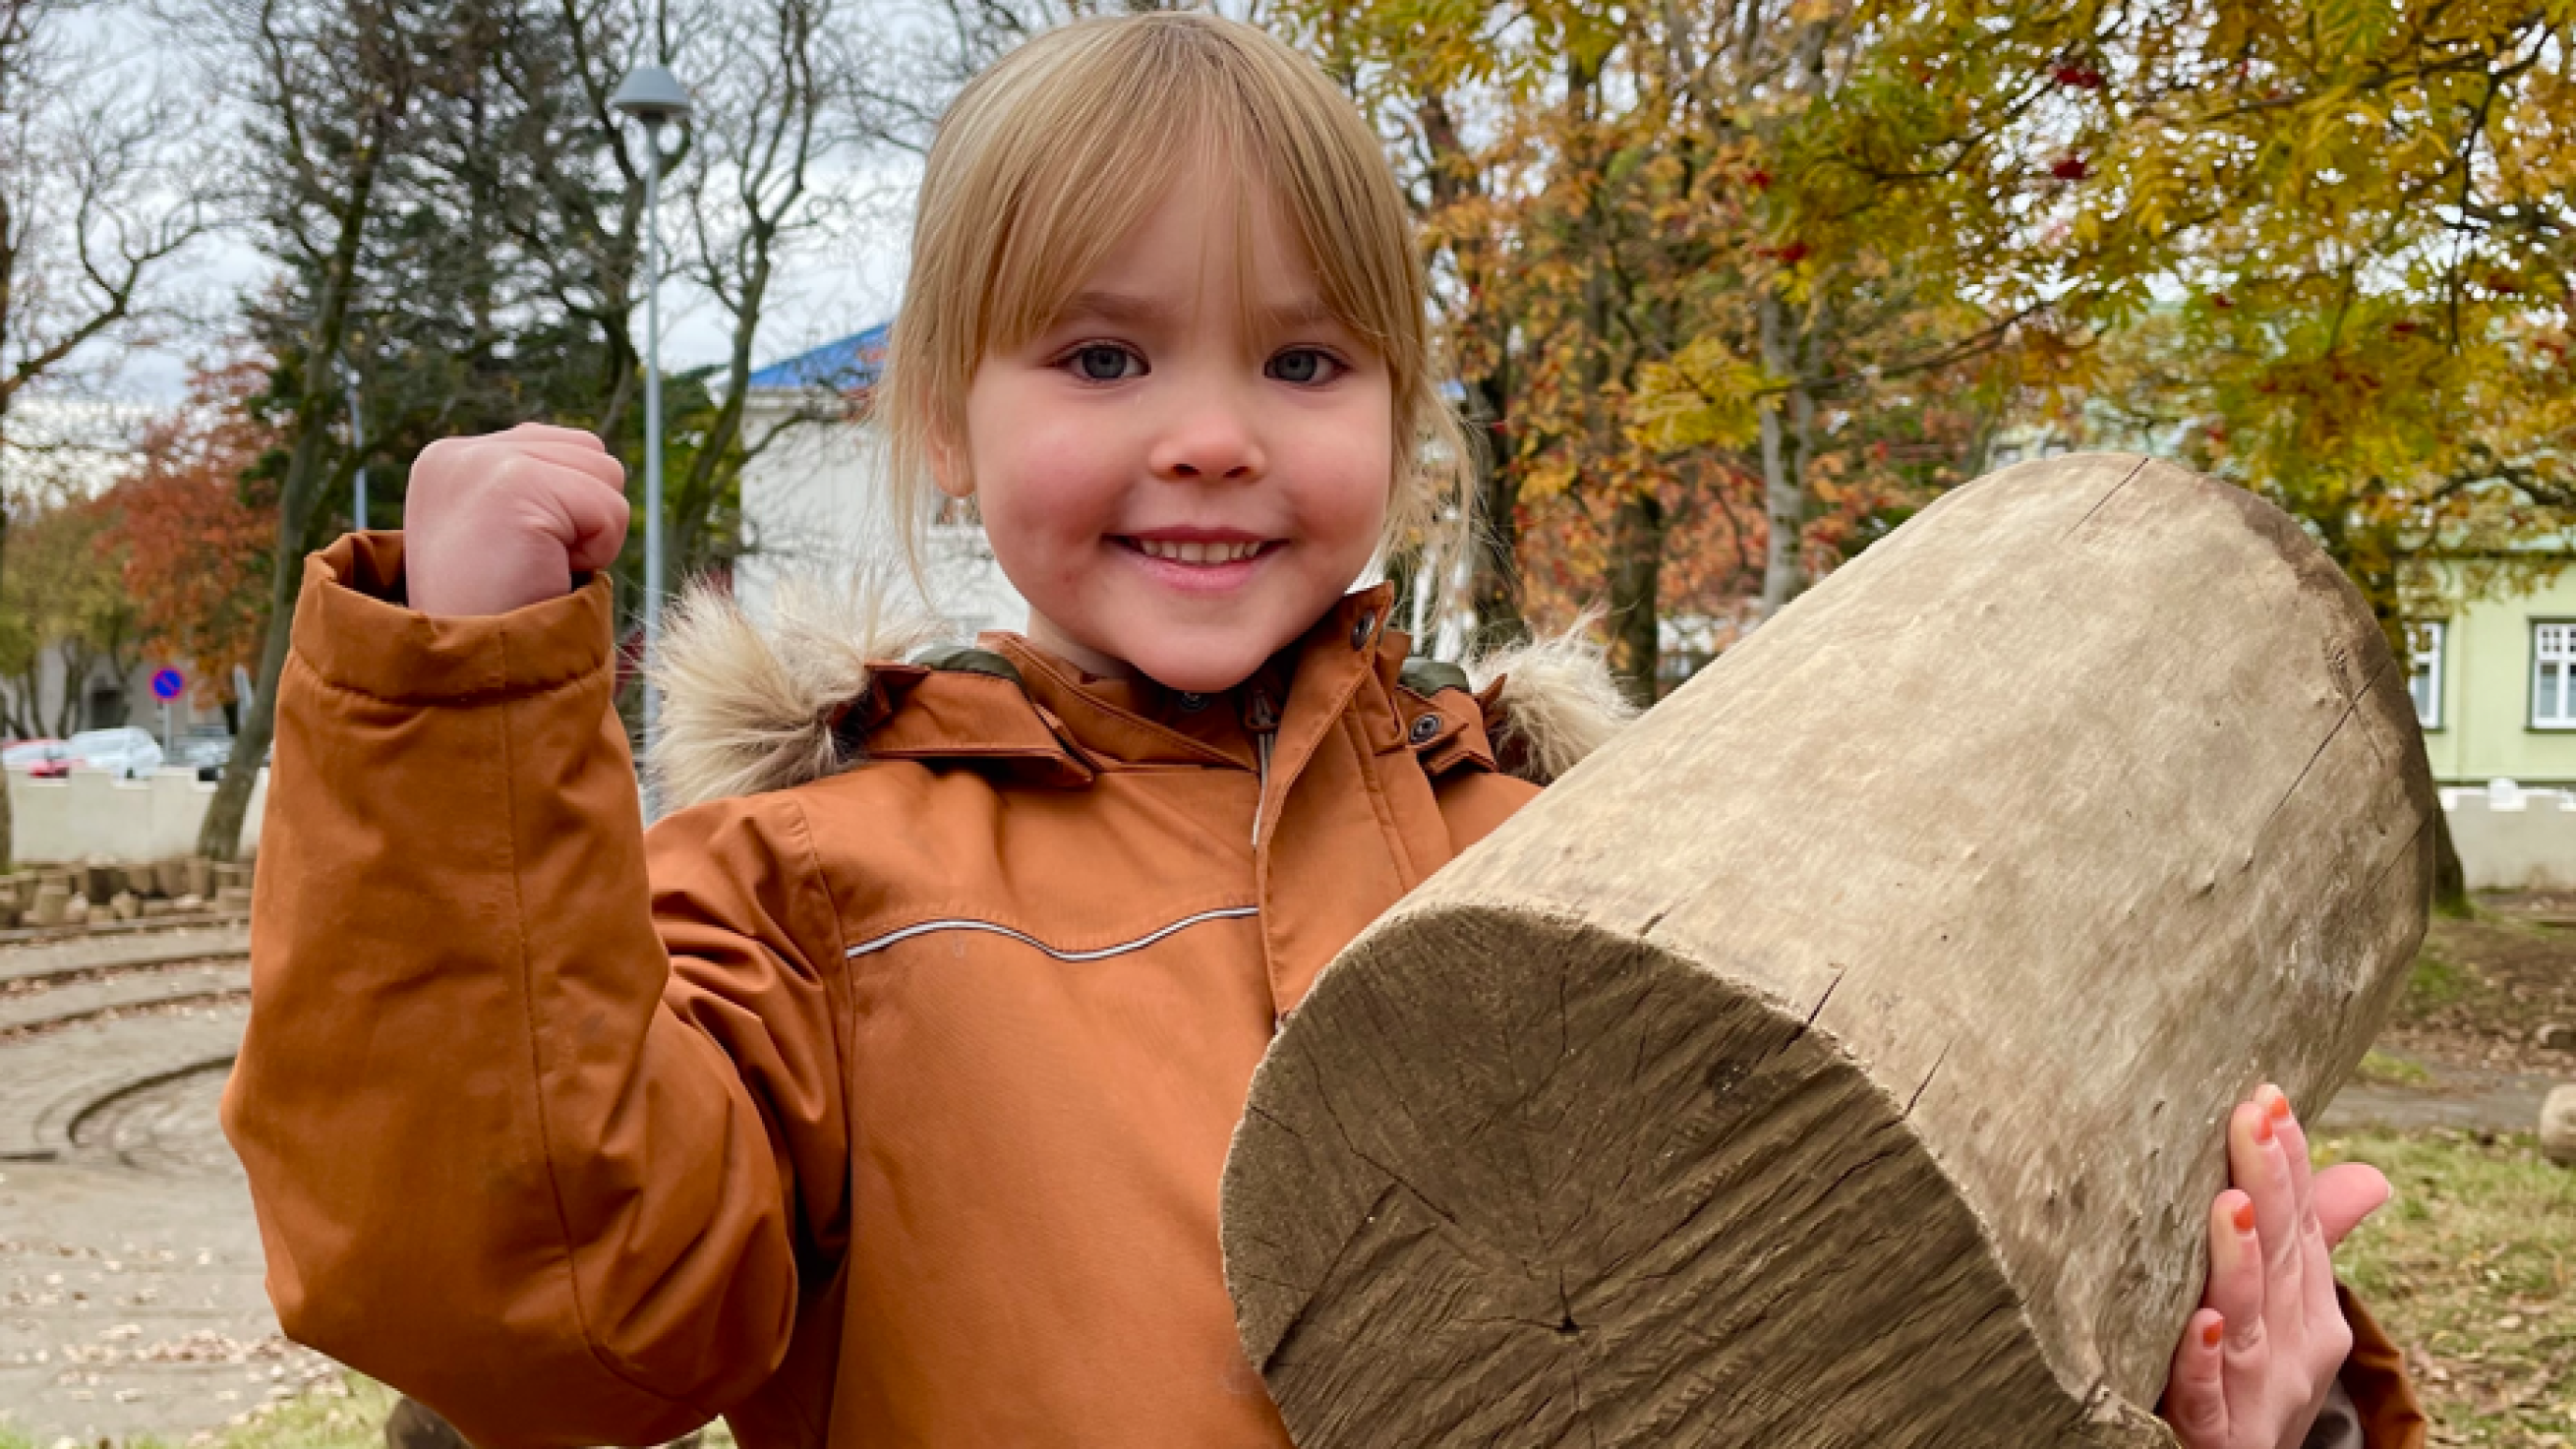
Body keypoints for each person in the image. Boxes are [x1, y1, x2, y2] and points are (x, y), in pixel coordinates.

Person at [220, 14, 2424, 1449]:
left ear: (1397, 418)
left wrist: (2237, 1413)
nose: (1204, 438)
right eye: (1098, 357)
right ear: (945, 428)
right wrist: (459, 715)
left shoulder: (1614, 850)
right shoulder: (812, 890)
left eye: (1298, 363)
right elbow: (538, 1304)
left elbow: (1867, 1334)